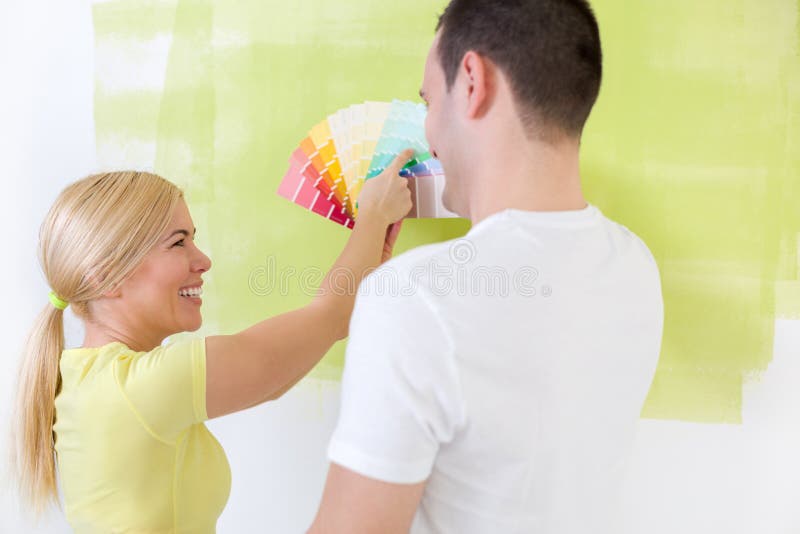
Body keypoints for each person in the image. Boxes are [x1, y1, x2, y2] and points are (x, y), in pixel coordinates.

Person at [309, 1, 664, 532]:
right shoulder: (636, 266)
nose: (428, 129)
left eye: (427, 99)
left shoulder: (415, 299)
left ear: (472, 81)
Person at [11, 151, 413, 532]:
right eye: (178, 242)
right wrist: (373, 214)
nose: (203, 260)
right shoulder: (141, 388)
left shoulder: (90, 380)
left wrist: (364, 262)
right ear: (106, 276)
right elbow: (327, 318)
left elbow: (276, 378)